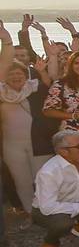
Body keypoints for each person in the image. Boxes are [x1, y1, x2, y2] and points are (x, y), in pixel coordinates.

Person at [0, 22, 57, 218]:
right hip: (11, 146)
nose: (16, 76)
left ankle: (47, 210)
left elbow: (53, 80)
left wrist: (51, 59)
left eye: (19, 73)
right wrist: (6, 42)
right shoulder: (1, 94)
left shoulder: (36, 88)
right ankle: (30, 212)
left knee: (42, 178)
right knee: (21, 180)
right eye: (11, 73)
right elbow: (4, 63)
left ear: (26, 75)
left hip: (39, 143)